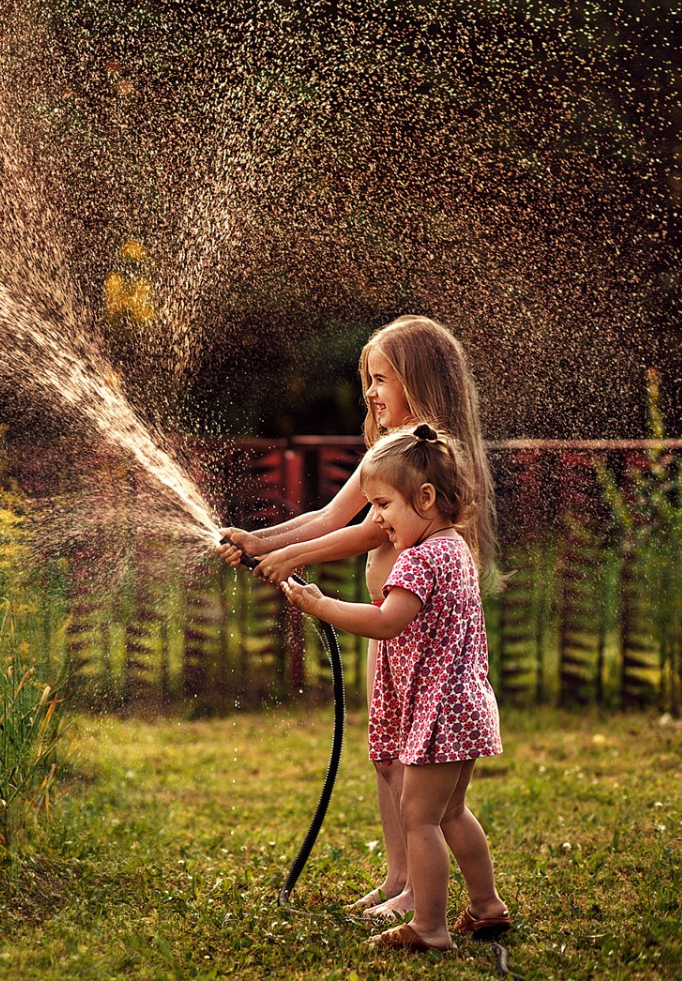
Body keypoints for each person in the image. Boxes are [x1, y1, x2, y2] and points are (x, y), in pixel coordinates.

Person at [214, 314, 500, 919]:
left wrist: (291, 557)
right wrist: (258, 540)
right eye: (368, 379)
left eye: (383, 379)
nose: (371, 392)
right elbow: (327, 516)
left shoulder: (433, 459)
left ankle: (418, 895)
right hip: (386, 631)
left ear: (420, 381)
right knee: (385, 754)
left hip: (418, 637)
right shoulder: (386, 450)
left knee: (408, 764)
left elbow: (368, 529)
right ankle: (401, 877)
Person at [281, 424, 510, 952]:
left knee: (420, 817)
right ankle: (487, 906)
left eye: (383, 504)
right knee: (451, 813)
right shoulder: (456, 551)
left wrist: (321, 606)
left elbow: (387, 622)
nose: (377, 519)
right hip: (467, 706)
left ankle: (430, 927)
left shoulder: (420, 559)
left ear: (425, 498)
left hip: (440, 714)